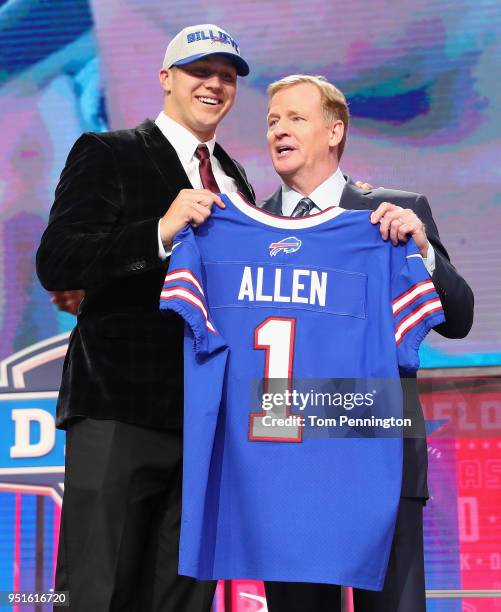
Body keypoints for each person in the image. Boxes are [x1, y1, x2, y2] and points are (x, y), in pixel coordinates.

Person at [36, 23, 254, 612]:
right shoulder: (109, 152)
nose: (214, 85)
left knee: (182, 595)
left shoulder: (238, 182)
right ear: (165, 79)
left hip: (208, 422)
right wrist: (159, 230)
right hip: (120, 411)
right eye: (199, 72)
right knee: (95, 587)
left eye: (226, 76)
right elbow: (59, 261)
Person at [260, 74, 474, 612]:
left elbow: (459, 319)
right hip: (285, 464)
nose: (279, 130)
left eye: (295, 118)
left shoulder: (396, 213)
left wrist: (423, 252)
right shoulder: (250, 224)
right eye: (272, 121)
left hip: (379, 450)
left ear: (335, 131)